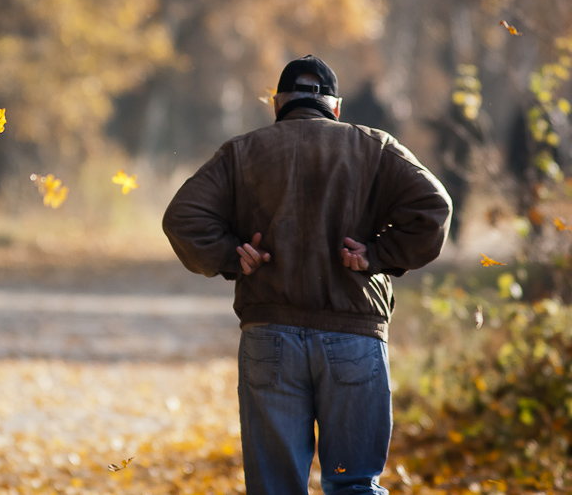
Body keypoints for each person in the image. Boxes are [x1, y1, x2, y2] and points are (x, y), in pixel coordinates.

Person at [162, 55, 452, 495]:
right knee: (354, 484)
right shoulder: (374, 146)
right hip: (353, 334)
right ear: (336, 109)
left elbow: (183, 217)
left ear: (278, 104)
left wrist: (231, 256)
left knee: (276, 488)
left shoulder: (243, 151)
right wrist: (377, 254)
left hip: (269, 337)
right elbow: (435, 208)